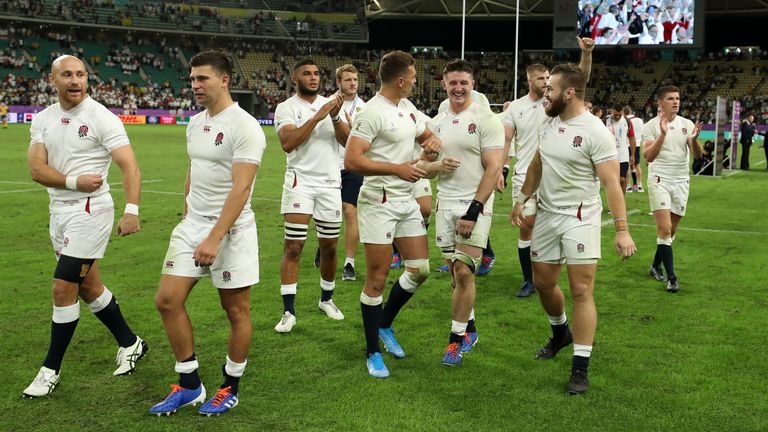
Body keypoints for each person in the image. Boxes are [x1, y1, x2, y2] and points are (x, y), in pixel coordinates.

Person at [150, 51, 266, 416]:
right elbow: (194, 169)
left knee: (235, 310)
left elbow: (241, 189)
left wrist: (215, 236)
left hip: (231, 231)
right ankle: (189, 385)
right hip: (193, 226)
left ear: (225, 79)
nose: (195, 85)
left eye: (202, 79)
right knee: (167, 300)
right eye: (192, 78)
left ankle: (230, 386)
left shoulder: (244, 126)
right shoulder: (194, 123)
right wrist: (187, 215)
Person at [24, 55, 147, 398]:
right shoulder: (44, 118)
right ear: (53, 79)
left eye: (81, 74)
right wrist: (76, 181)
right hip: (60, 210)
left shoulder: (102, 117)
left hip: (91, 212)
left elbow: (130, 167)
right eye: (67, 75)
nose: (75, 80)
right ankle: (131, 342)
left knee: (63, 287)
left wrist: (132, 210)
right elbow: (36, 169)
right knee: (89, 286)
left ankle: (50, 369)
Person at [511, 63, 636, 395]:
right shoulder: (549, 123)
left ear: (569, 93)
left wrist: (622, 230)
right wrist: (522, 198)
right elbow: (538, 163)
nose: (545, 94)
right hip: (548, 216)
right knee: (543, 283)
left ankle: (580, 368)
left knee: (581, 290)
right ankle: (560, 332)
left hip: (581, 217)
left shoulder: (596, 131)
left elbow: (612, 183)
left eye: (550, 89)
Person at [345, 50, 441, 378]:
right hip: (379, 202)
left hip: (406, 200)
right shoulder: (371, 113)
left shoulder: (407, 108)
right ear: (400, 81)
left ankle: (384, 325)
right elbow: (352, 160)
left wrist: (432, 142)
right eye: (413, 78)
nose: (415, 82)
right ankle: (372, 351)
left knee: (420, 269)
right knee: (376, 278)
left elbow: (425, 134)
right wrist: (395, 169)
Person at [422, 59, 504, 366]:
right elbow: (423, 168)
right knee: (456, 276)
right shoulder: (437, 121)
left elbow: (494, 166)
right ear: (444, 84)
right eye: (453, 83)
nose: (458, 88)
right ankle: (469, 327)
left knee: (465, 270)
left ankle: (455, 342)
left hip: (475, 203)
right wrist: (434, 163)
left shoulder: (485, 118)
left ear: (473, 84)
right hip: (445, 202)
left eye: (464, 83)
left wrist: (474, 210)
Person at [502, 36, 595, 298]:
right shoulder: (515, 108)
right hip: (525, 173)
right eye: (541, 79)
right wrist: (501, 170)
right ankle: (528, 279)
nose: (545, 82)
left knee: (548, 226)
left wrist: (586, 55)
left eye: (547, 79)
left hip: (552, 174)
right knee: (526, 224)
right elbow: (506, 140)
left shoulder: (552, 104)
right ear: (530, 80)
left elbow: (581, 82)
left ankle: (546, 274)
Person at [273, 59, 350, 333]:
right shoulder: (286, 108)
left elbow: (348, 141)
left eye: (317, 73)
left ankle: (326, 299)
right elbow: (288, 142)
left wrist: (335, 116)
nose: (313, 77)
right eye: (307, 73)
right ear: (295, 77)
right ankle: (288, 311)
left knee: (329, 246)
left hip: (330, 184)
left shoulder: (333, 106)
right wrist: (318, 115)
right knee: (293, 246)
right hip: (299, 183)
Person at [641, 85, 702, 293]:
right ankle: (672, 278)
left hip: (681, 181)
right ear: (660, 102)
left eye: (677, 98)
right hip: (659, 180)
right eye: (670, 98)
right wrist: (662, 135)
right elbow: (648, 157)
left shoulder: (687, 123)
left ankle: (655, 266)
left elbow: (698, 155)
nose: (675, 101)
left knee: (671, 232)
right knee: (664, 229)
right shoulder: (650, 126)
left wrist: (693, 140)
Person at [335, 64, 366, 281]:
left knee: (350, 210)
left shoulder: (364, 108)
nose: (353, 83)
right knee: (327, 215)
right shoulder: (327, 104)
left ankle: (349, 263)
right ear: (339, 83)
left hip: (352, 166)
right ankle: (324, 246)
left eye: (355, 79)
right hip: (328, 166)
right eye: (348, 80)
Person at [605, 103, 637, 195]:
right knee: (612, 181)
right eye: (615, 114)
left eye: (620, 114)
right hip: (609, 155)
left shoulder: (626, 121)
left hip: (623, 155)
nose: (618, 116)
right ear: (612, 111)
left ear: (623, 112)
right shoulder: (605, 121)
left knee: (622, 180)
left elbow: (631, 138)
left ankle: (621, 203)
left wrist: (633, 154)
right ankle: (614, 204)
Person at [624, 105, 645, 192]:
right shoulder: (640, 120)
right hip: (637, 143)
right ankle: (640, 185)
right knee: (637, 164)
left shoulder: (624, 120)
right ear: (631, 112)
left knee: (628, 165)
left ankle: (628, 186)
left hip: (626, 143)